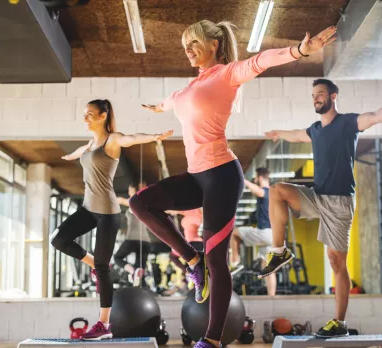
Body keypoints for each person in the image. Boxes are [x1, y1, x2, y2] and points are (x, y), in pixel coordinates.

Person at [128, 19, 337, 348]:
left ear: (213, 44)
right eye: (185, 45)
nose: (188, 50)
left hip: (222, 175)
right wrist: (159, 107)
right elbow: (173, 100)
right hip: (196, 175)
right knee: (140, 203)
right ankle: (191, 260)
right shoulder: (187, 89)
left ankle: (211, 340)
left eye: (194, 42)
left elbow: (262, 60)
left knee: (217, 257)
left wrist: (300, 50)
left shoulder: (227, 74)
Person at [258, 78, 382, 337]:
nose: (316, 98)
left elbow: (374, 116)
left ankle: (339, 322)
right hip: (317, 196)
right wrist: (278, 133)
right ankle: (279, 251)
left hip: (339, 202)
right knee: (278, 190)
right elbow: (296, 135)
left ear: (333, 96)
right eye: (314, 95)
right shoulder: (315, 129)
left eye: (321, 94)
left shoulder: (348, 123)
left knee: (336, 262)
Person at [50, 99, 172, 340]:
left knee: (105, 269)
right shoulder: (90, 143)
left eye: (90, 114)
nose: (85, 118)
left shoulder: (112, 140)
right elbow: (81, 153)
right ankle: (93, 263)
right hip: (87, 209)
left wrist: (155, 136)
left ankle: (104, 324)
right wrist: (71, 155)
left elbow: (132, 138)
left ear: (103, 116)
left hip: (107, 212)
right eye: (84, 114)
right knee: (58, 239)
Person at [230, 167, 276, 296]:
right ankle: (272, 296)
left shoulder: (266, 192)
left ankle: (235, 260)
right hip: (275, 235)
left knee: (234, 232)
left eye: (255, 178)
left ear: (260, 178)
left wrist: (242, 179)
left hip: (265, 233)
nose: (255, 180)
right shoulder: (274, 194)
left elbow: (259, 192)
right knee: (267, 267)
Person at [114, 181, 151, 287]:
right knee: (140, 269)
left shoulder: (133, 202)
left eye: (130, 189)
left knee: (117, 258)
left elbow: (119, 200)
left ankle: (132, 271)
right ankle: (139, 281)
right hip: (146, 242)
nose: (129, 191)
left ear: (132, 191)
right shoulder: (146, 204)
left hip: (132, 239)